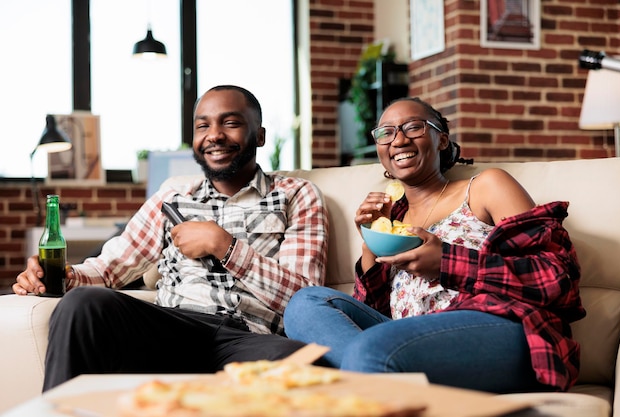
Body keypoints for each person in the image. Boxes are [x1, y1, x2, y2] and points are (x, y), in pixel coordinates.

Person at [14, 85, 329, 390]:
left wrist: (224, 247)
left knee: (299, 360)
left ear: (259, 135)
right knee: (83, 303)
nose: (214, 134)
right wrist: (61, 277)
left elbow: (306, 300)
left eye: (230, 123)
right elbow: (109, 268)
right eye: (202, 126)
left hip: (249, 338)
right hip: (172, 327)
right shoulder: (173, 197)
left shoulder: (295, 195)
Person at [284, 97, 586, 394]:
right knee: (305, 304)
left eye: (413, 127)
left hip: (501, 329)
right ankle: (379, 377)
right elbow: (375, 315)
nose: (398, 140)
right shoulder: (395, 216)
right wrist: (371, 243)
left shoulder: (485, 187)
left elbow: (558, 277)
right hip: (408, 345)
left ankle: (371, 372)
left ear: (441, 140)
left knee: (371, 348)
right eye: (386, 132)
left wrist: (445, 262)